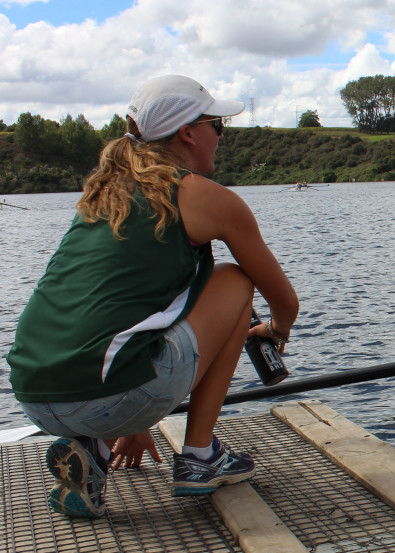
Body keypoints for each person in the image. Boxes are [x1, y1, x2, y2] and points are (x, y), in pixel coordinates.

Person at [6, 75, 299, 518]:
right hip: (111, 393)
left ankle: (94, 455)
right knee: (238, 281)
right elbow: (286, 302)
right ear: (188, 132)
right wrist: (275, 329)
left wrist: (133, 418)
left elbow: (114, 312)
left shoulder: (104, 192)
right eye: (217, 125)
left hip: (33, 395)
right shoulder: (205, 197)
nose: (221, 137)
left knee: (145, 321)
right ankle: (201, 457)